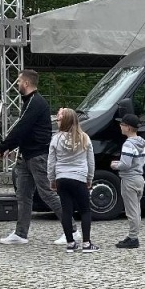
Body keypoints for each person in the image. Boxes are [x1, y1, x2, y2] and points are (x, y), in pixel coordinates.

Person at [0, 69, 64, 244]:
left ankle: (72, 230)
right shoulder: (29, 102)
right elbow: (26, 131)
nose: (16, 84)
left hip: (38, 156)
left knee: (47, 194)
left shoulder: (35, 102)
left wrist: (2, 148)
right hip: (26, 156)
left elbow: (21, 128)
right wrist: (12, 147)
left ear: (26, 83)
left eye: (18, 81)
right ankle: (20, 234)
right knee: (23, 195)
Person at [47, 107, 96, 252]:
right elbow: (90, 161)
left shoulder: (55, 139)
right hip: (79, 177)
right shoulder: (84, 138)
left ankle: (70, 243)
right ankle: (86, 243)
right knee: (85, 210)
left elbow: (51, 162)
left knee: (66, 211)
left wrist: (52, 179)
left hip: (62, 178)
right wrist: (89, 178)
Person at [111, 113, 145, 249]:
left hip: (129, 179)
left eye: (123, 124)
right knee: (136, 209)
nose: (120, 126)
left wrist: (116, 165)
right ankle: (133, 235)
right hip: (139, 178)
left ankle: (133, 237)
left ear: (129, 128)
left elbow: (126, 164)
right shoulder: (141, 143)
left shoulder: (128, 144)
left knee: (131, 210)